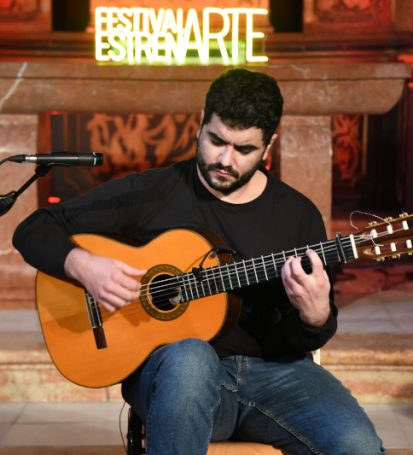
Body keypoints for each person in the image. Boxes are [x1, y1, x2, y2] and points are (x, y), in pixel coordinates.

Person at [13, 68, 386, 455]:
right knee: (191, 356)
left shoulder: (298, 215)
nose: (225, 159)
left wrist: (316, 316)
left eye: (244, 150)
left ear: (268, 146)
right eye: (216, 140)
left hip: (275, 376)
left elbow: (303, 338)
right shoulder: (153, 192)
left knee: (357, 445)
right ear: (200, 123)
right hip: (175, 376)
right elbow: (33, 229)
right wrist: (84, 267)